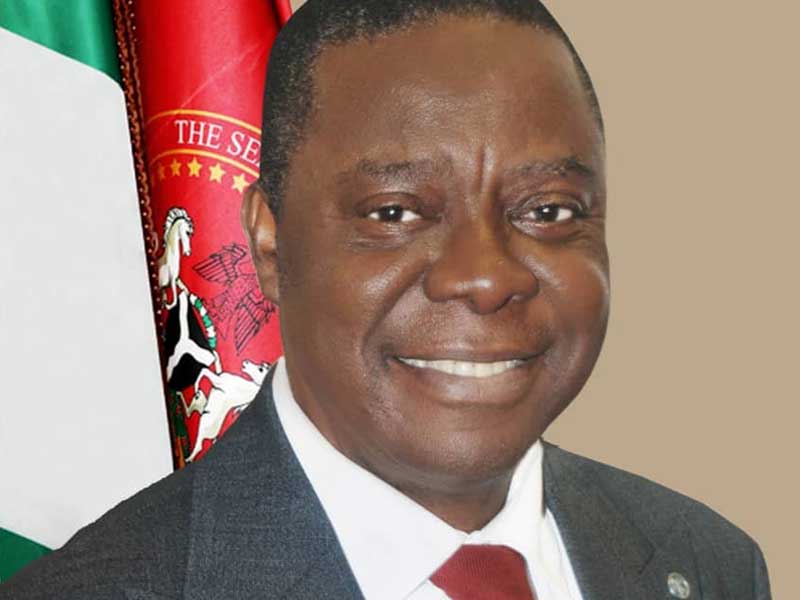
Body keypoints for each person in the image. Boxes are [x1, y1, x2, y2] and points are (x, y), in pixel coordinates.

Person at [1, 0, 771, 598]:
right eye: (394, 213)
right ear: (270, 241)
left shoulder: (706, 563)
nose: (486, 275)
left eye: (548, 211)